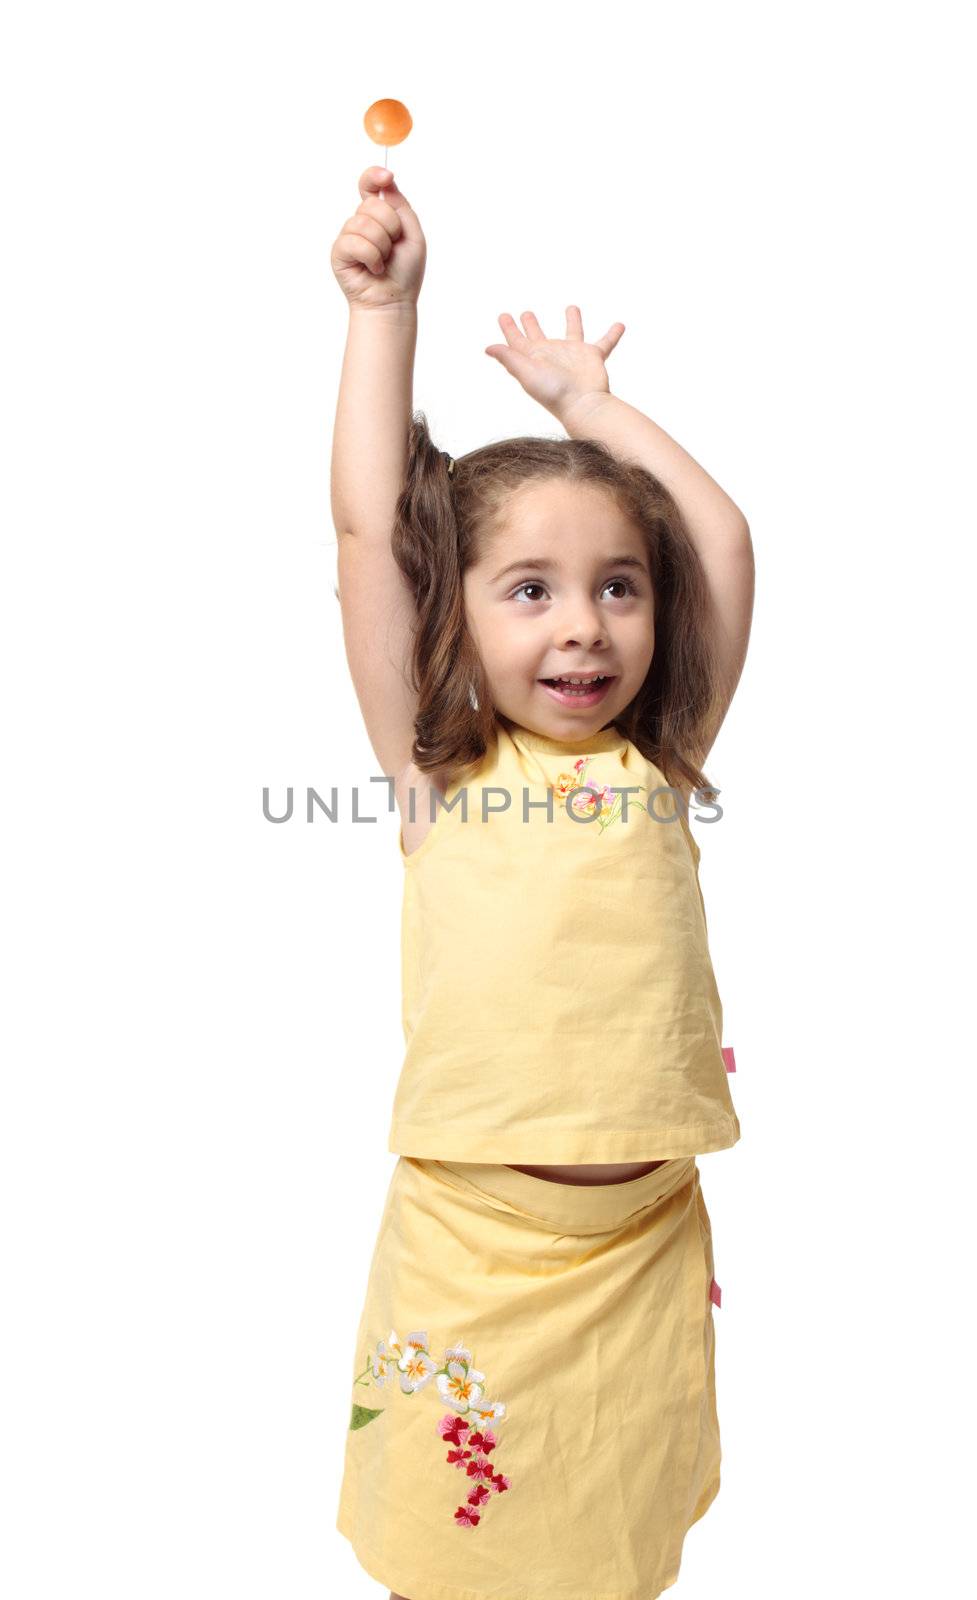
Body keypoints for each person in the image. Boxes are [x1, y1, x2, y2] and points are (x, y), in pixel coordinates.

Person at [329, 163, 754, 1600]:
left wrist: (594, 413)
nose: (583, 627)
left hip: (632, 1241)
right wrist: (386, 312)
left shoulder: (664, 751)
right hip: (477, 1243)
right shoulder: (433, 773)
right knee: (452, 1539)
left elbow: (721, 542)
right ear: (450, 611)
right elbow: (360, 531)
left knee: (612, 1530)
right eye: (529, 589)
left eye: (616, 585)